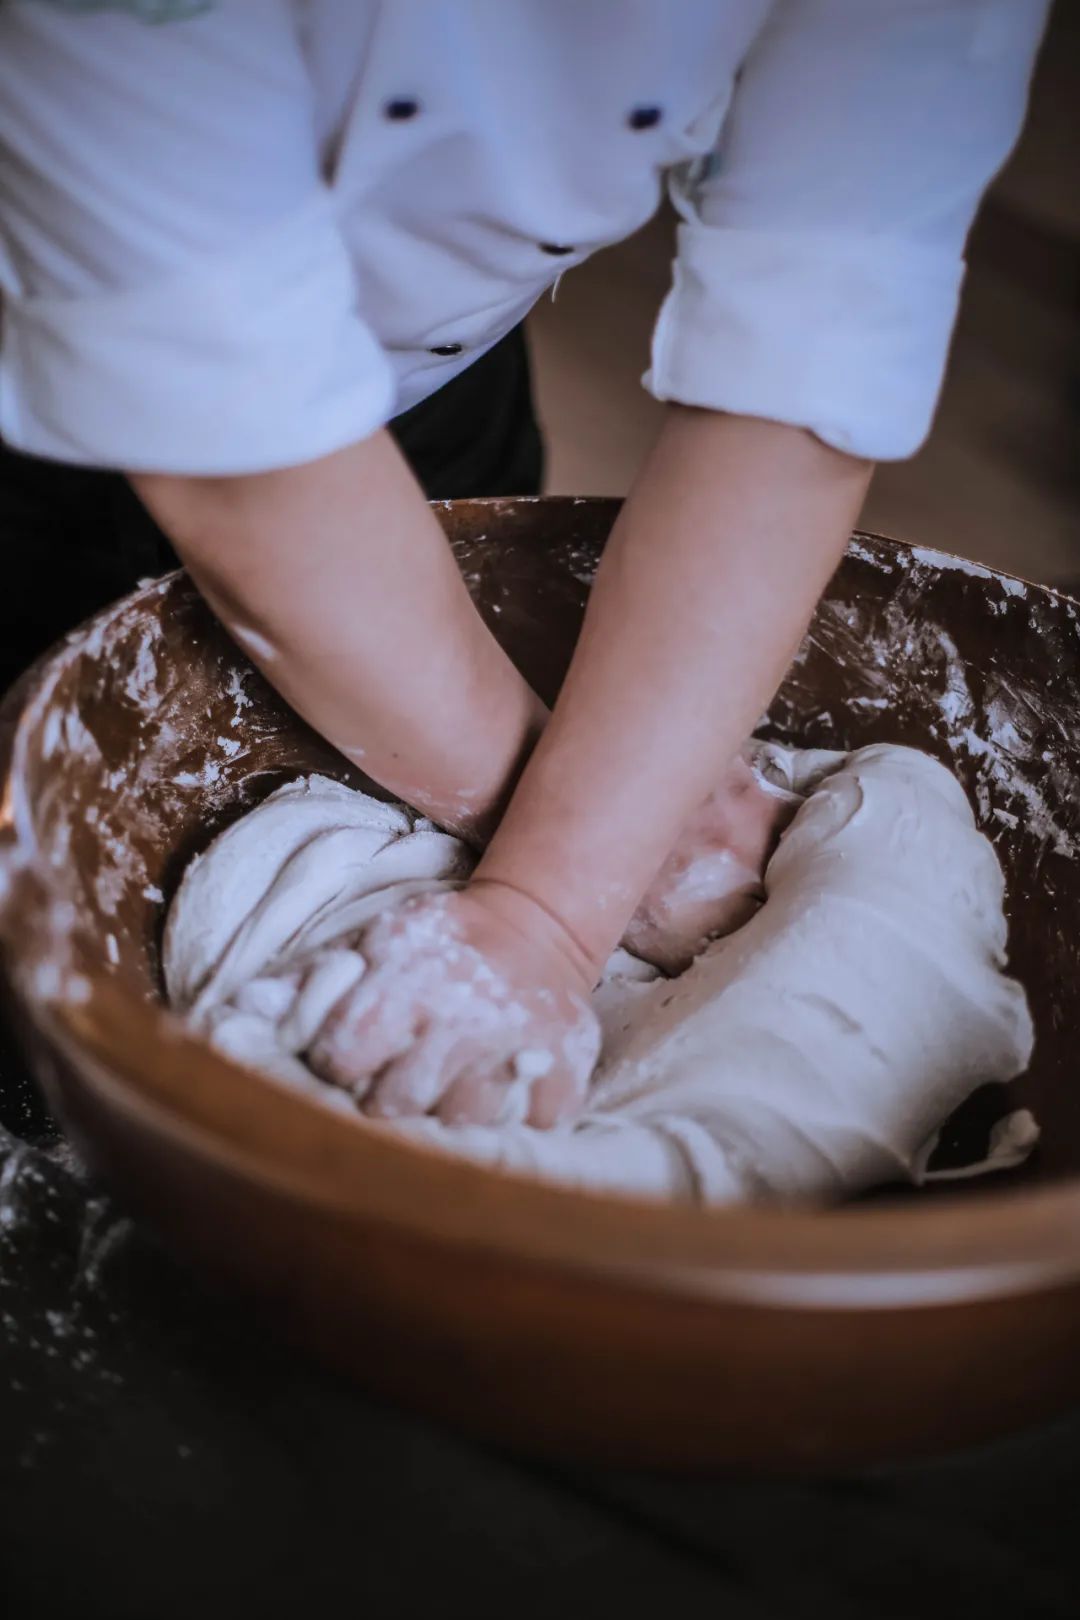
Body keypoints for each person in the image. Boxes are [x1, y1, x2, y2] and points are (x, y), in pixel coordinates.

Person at [0, 0, 1049, 1127]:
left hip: (431, 371)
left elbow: (810, 363)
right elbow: (230, 438)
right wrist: (554, 892)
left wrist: (574, 876)